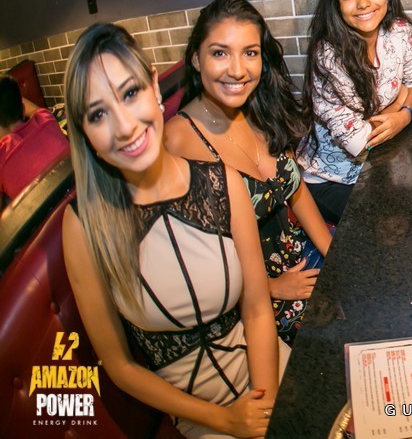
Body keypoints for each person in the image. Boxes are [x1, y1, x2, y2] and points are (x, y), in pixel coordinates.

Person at [61, 23, 284, 438]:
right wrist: (226, 421)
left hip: (268, 373)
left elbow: (256, 310)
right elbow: (120, 366)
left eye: (130, 93)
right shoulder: (84, 224)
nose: (125, 126)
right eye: (98, 114)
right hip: (202, 417)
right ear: (85, 133)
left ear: (153, 86)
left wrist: (265, 406)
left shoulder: (221, 182)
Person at [166, 0, 334, 345]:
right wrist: (269, 287)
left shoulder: (260, 107)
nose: (238, 70)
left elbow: (296, 191)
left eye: (250, 53)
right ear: (196, 58)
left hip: (297, 254)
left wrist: (332, 254)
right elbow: (182, 258)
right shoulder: (175, 142)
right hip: (245, 297)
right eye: (220, 53)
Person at [299, 0, 412, 225]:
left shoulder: (400, 32)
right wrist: (398, 103)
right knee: (376, 227)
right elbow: (359, 141)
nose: (363, 3)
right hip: (333, 179)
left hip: (378, 164)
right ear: (336, 6)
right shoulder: (328, 58)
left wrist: (403, 114)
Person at [0, 75, 69, 205]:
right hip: (78, 196)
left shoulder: (2, 156)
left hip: (45, 215)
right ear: (23, 109)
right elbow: (32, 109)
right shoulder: (46, 119)